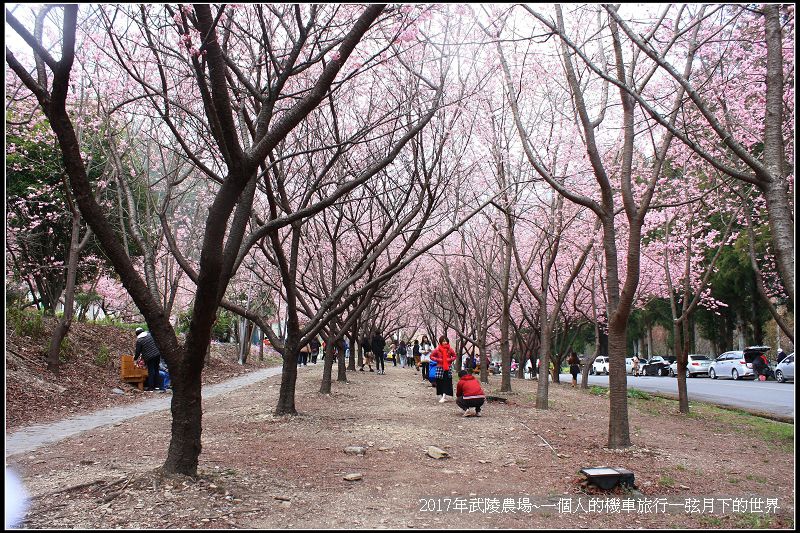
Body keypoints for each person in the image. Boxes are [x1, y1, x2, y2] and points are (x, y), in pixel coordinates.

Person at [429, 335, 457, 403]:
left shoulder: (450, 349)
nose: (445, 342)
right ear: (440, 342)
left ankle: (444, 396)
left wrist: (449, 359)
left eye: (446, 341)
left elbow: (454, 356)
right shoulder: (438, 349)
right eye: (443, 341)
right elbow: (431, 356)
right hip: (439, 367)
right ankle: (442, 396)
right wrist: (438, 360)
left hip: (448, 367)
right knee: (440, 381)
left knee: (446, 381)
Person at [134, 327, 163, 392]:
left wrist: (135, 359)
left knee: (151, 371)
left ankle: (151, 388)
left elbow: (137, 352)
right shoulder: (150, 335)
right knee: (156, 370)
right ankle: (157, 386)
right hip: (157, 354)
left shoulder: (139, 340)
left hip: (149, 357)